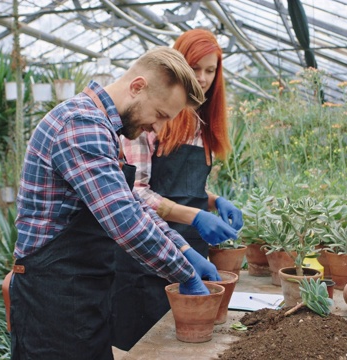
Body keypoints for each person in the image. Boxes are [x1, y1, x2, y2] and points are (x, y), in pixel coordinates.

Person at [9, 47, 220, 360]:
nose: (158, 128)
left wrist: (182, 248)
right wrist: (184, 274)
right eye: (161, 115)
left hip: (79, 293)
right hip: (52, 299)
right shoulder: (81, 125)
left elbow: (133, 204)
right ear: (137, 86)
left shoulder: (105, 131)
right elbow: (127, 224)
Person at [111, 29, 244, 350]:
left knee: (189, 344)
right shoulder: (149, 118)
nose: (201, 78)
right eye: (195, 67)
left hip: (191, 246)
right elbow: (136, 191)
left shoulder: (203, 124)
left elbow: (185, 185)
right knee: (149, 342)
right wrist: (195, 215)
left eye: (210, 70)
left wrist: (213, 201)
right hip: (148, 249)